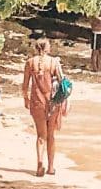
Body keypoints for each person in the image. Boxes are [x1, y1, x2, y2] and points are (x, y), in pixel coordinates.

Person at [22, 37, 69, 178]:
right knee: (51, 136)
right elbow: (63, 84)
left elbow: (25, 86)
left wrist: (26, 99)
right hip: (53, 103)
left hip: (36, 102)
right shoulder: (54, 62)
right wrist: (65, 101)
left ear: (36, 48)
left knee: (41, 136)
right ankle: (50, 167)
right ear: (48, 48)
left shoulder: (30, 63)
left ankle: (39, 162)